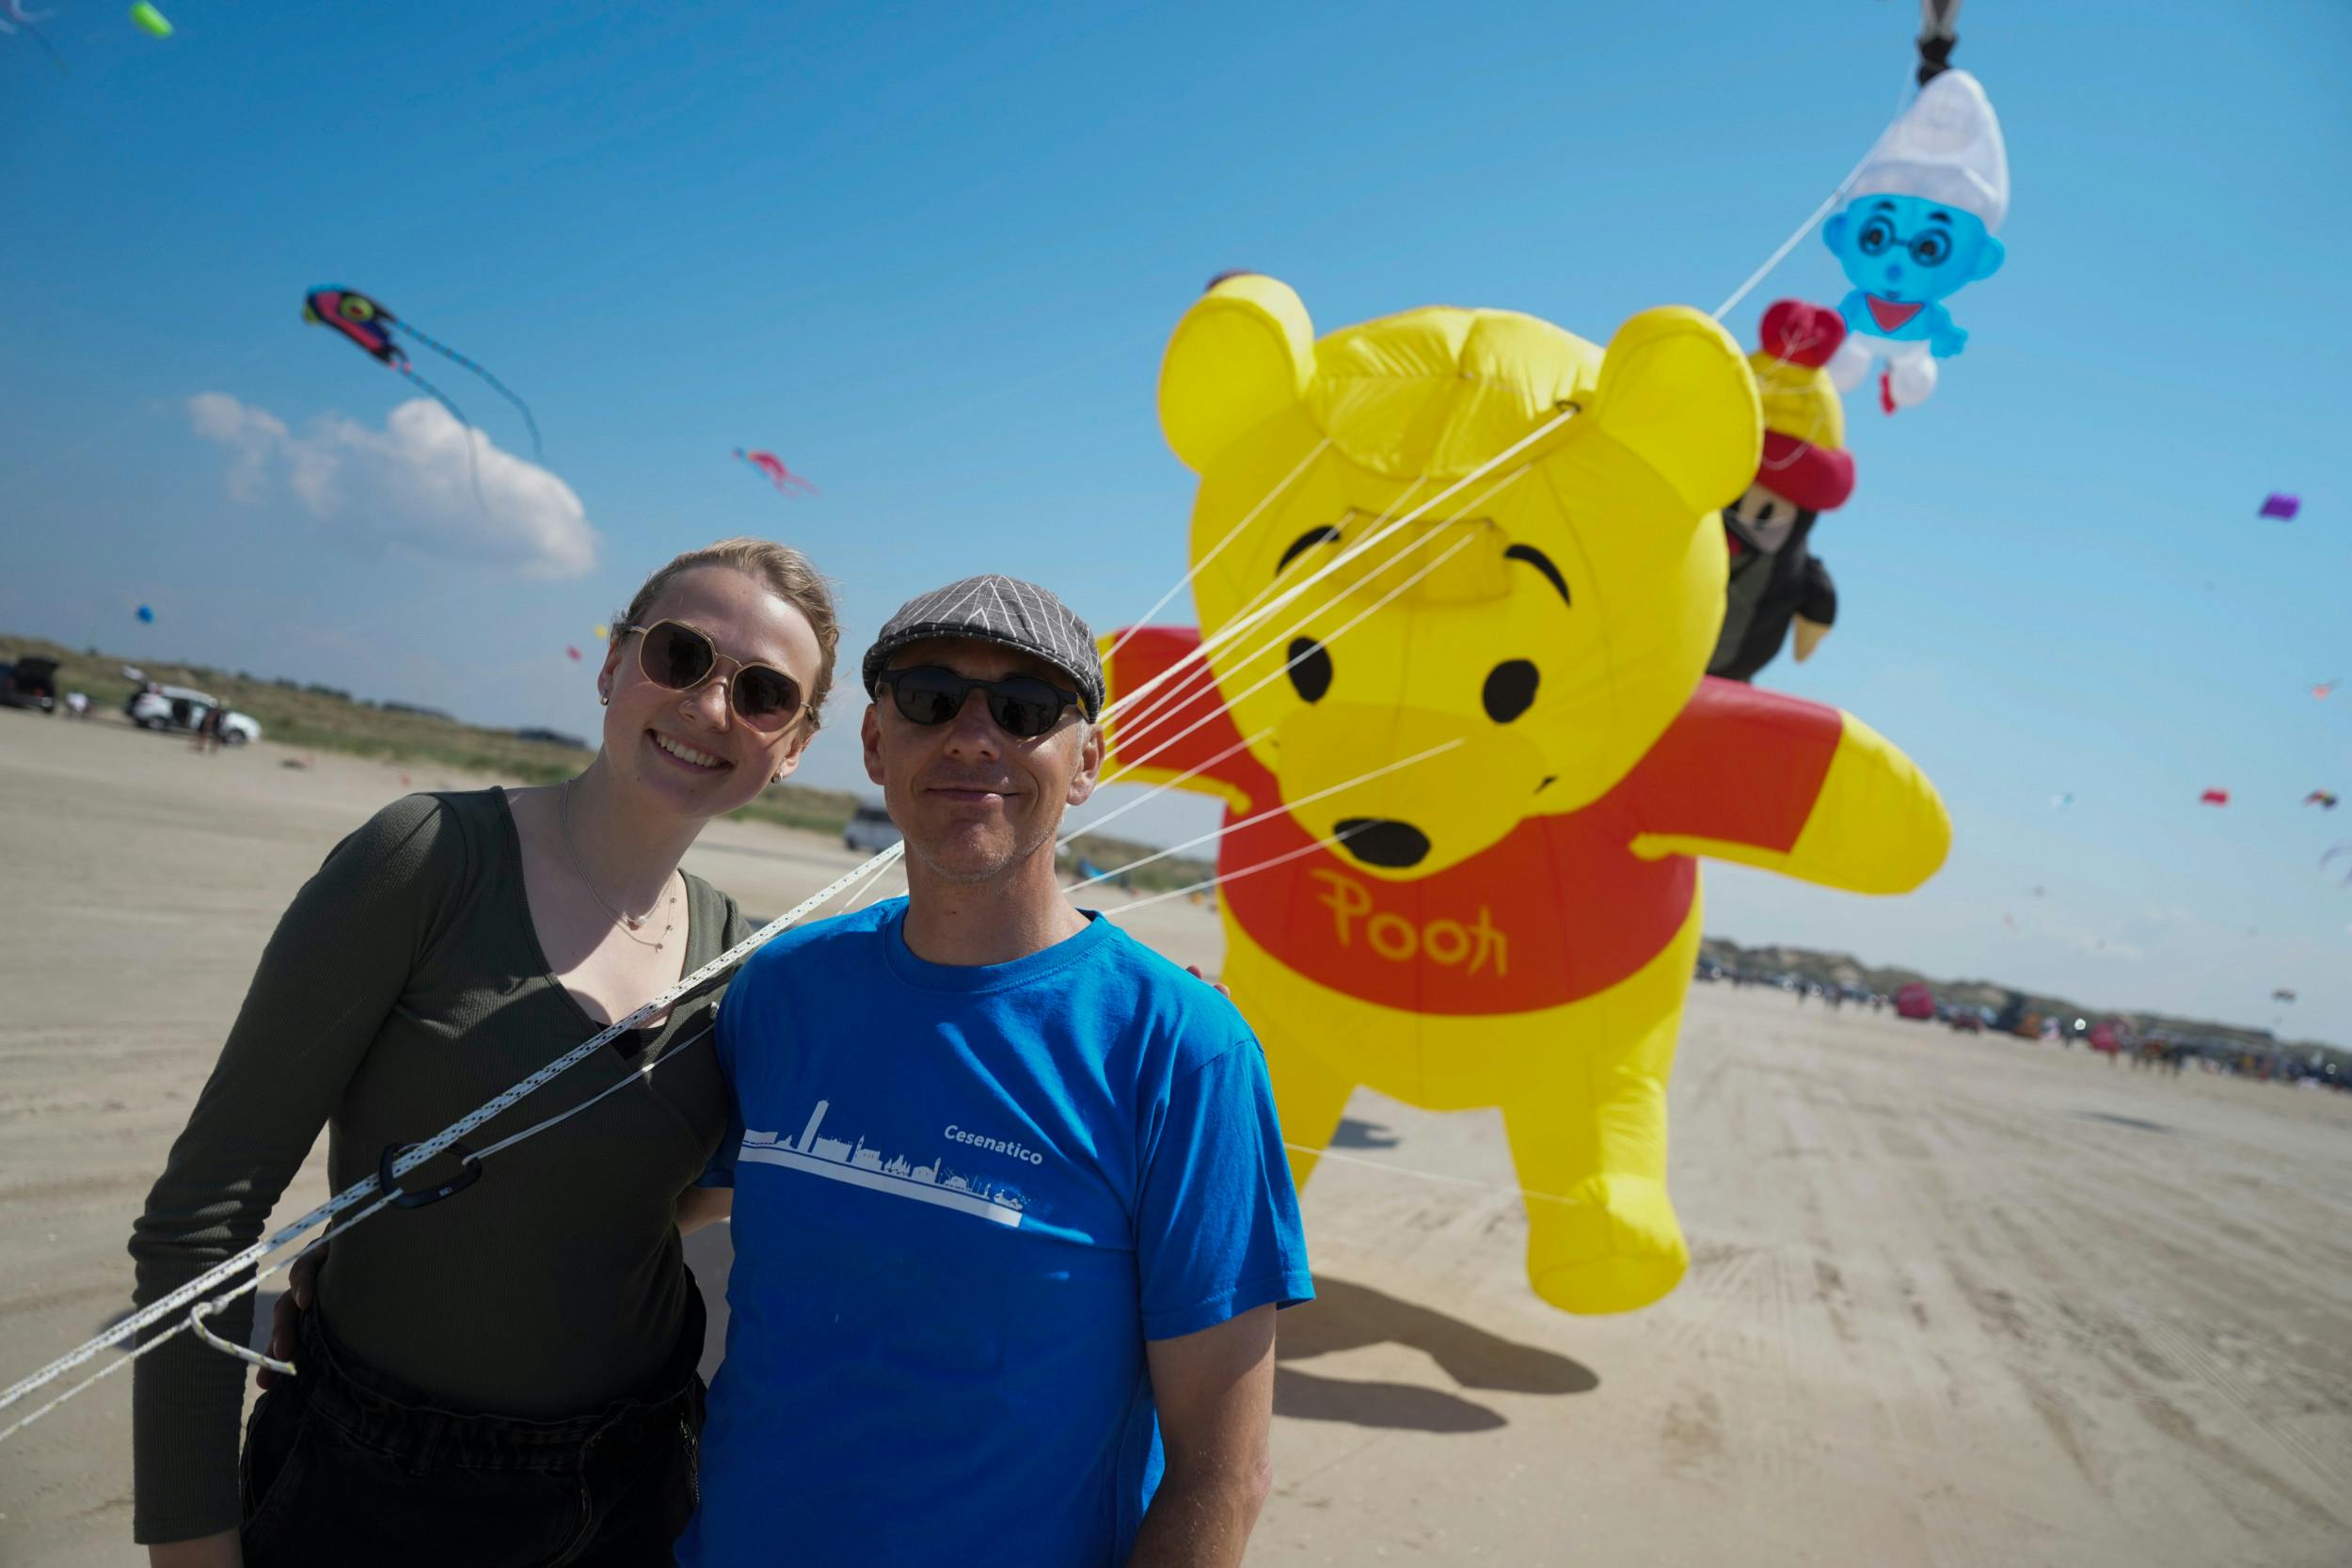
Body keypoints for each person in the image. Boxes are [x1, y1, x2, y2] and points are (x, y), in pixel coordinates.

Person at [128, 539, 840, 1568]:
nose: (711, 706)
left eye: (765, 691)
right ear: (611, 664)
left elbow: (682, 1192)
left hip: (637, 1491)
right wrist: (190, 1544)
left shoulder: (748, 964)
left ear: (795, 746)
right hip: (374, 1487)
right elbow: (201, 1217)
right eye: (680, 654)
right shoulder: (424, 858)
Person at [681, 575, 1312, 1568]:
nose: (974, 736)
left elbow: (1220, 1476)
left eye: (1024, 710)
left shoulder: (1181, 1049)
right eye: (930, 697)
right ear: (877, 743)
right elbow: (653, 1210)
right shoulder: (782, 988)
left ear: (1088, 759)